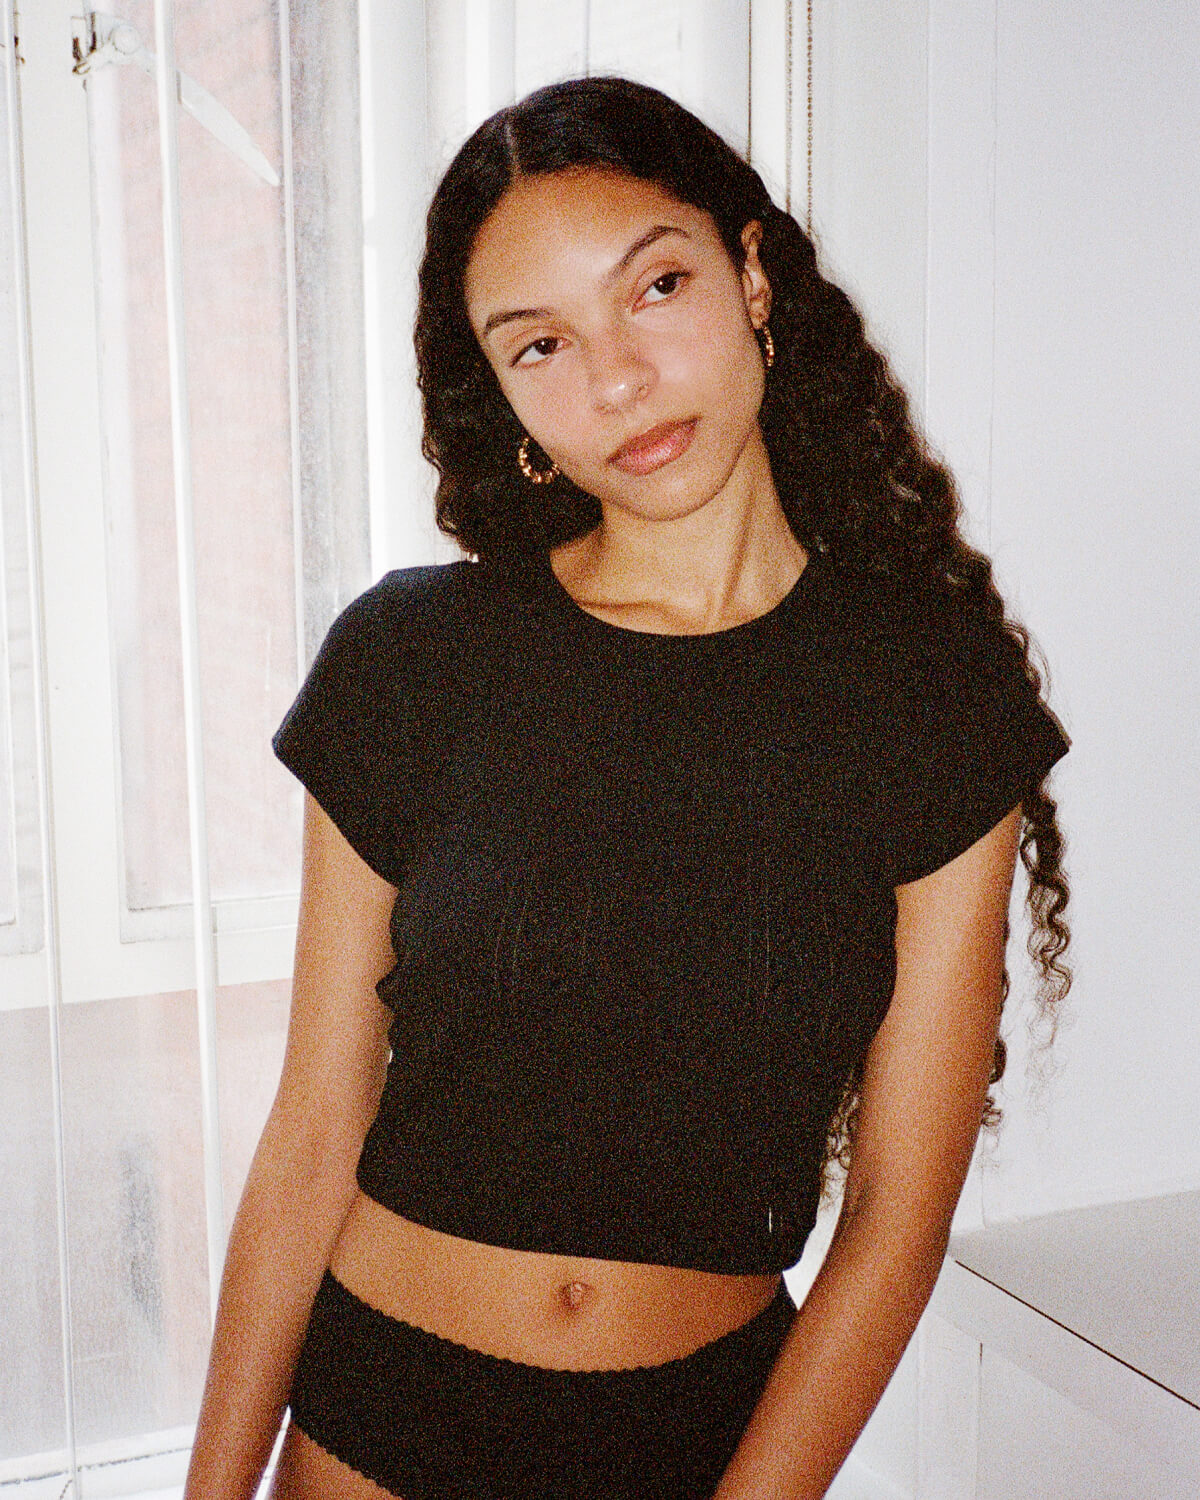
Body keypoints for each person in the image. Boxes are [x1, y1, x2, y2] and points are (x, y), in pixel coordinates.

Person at [184, 75, 1071, 1500]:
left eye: (654, 286)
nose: (614, 380)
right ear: (506, 398)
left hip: (699, 1442)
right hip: (373, 1425)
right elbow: (311, 1135)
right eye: (540, 344)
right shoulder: (411, 660)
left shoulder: (929, 693)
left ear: (754, 276)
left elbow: (900, 1218)